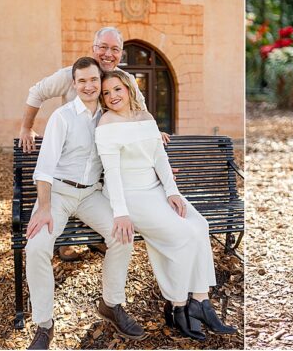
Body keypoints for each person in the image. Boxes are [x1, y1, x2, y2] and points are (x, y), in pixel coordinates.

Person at [95, 69, 237, 341]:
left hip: (156, 189)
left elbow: (159, 157)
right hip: (131, 196)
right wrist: (121, 212)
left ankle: (200, 302)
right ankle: (177, 304)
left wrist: (172, 191)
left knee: (199, 226)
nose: (112, 96)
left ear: (128, 89)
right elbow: (111, 173)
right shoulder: (106, 124)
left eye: (117, 89)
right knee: (182, 234)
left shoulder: (145, 117)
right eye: (106, 92)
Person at [24, 57, 144, 350]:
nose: (89, 86)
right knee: (36, 246)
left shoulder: (109, 116)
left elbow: (136, 140)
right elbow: (45, 167)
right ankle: (44, 325)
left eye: (94, 80)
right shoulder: (63, 117)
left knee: (123, 236)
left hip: (92, 194)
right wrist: (43, 207)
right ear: (74, 84)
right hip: (59, 195)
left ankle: (111, 304)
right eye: (82, 81)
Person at [18, 27, 162, 154]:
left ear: (120, 54)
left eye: (115, 49)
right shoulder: (70, 75)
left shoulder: (126, 80)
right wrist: (26, 128)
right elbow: (37, 92)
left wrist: (153, 132)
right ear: (93, 49)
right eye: (103, 47)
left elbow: (140, 110)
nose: (108, 54)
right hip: (74, 153)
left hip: (113, 152)